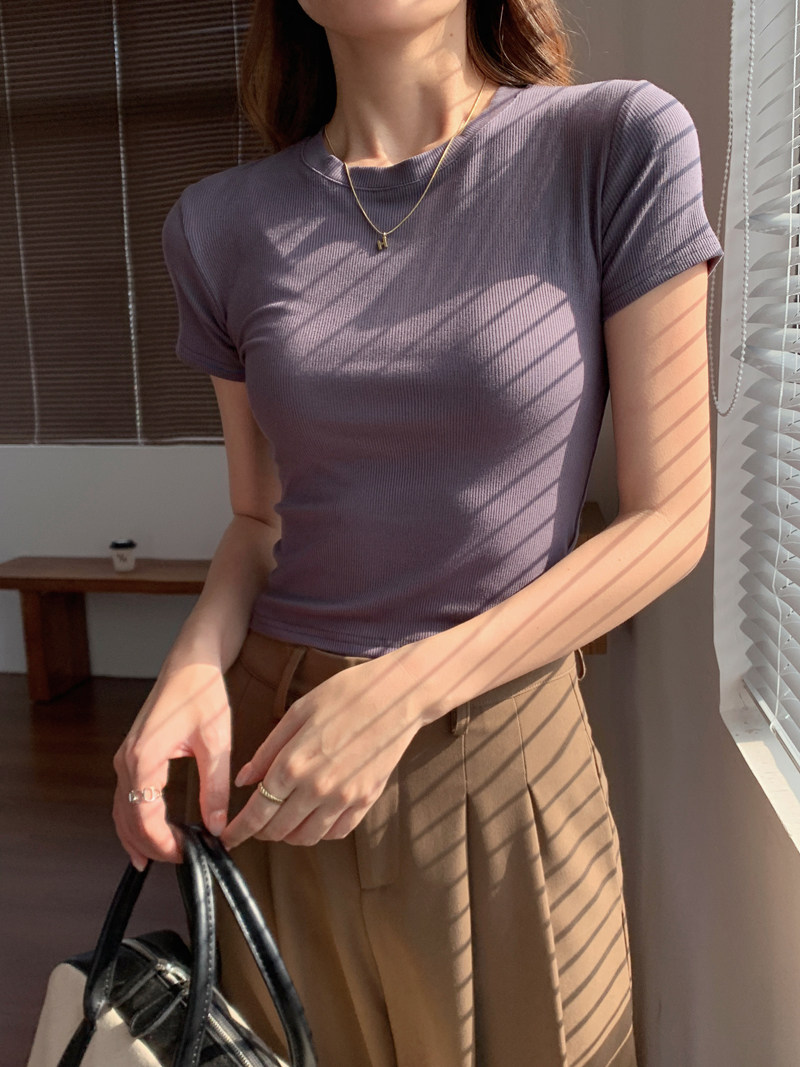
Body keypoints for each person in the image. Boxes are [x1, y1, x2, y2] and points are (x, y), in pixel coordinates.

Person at [112, 1, 724, 1064]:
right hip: (275, 757)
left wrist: (401, 690)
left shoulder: (613, 143)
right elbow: (258, 518)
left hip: (500, 745)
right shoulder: (216, 224)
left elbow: (670, 516)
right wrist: (191, 670)